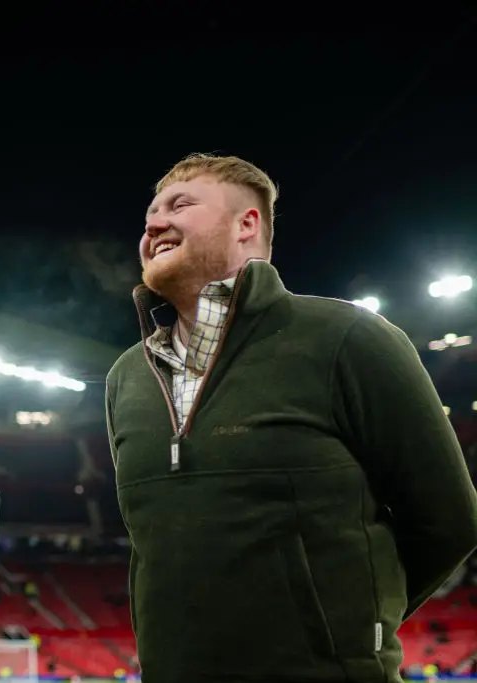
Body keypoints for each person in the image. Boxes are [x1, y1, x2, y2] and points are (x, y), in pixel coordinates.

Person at [105, 153, 477, 683]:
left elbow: (449, 521)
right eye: (150, 213)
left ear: (246, 224)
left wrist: (346, 631)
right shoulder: (127, 376)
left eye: (180, 204)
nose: (154, 223)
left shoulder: (346, 338)